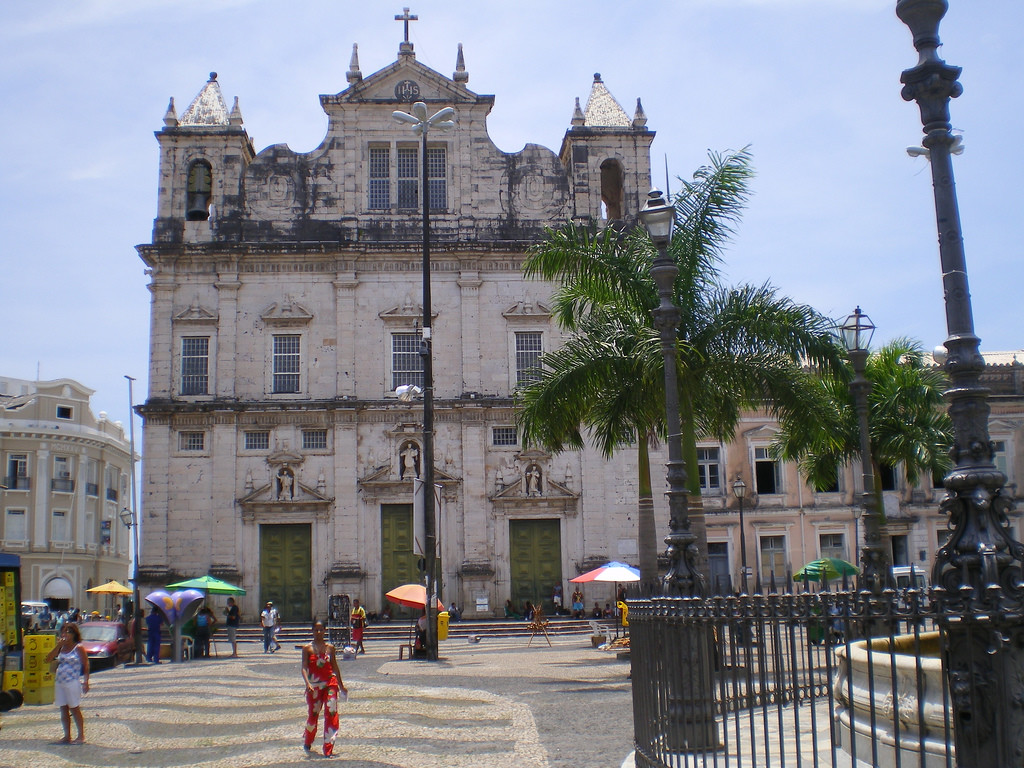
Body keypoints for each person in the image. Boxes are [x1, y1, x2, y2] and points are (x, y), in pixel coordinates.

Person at [301, 620, 347, 756]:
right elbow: (304, 667)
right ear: (312, 631)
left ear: (325, 630)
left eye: (321, 629)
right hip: (314, 686)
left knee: (331, 712)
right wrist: (307, 683)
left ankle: (328, 747)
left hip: (330, 683)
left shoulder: (330, 648)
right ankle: (308, 739)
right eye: (316, 630)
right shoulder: (307, 649)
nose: (319, 632)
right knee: (313, 715)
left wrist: (341, 685)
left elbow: (334, 666)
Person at [45, 622, 89, 744]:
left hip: (72, 681)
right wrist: (58, 646)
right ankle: (67, 735)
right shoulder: (61, 648)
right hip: (60, 681)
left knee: (74, 708)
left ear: (74, 634)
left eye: (68, 632)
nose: (65, 634)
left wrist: (86, 681)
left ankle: (81, 735)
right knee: (63, 708)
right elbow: (48, 659)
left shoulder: (78, 648)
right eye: (64, 632)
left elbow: (85, 664)